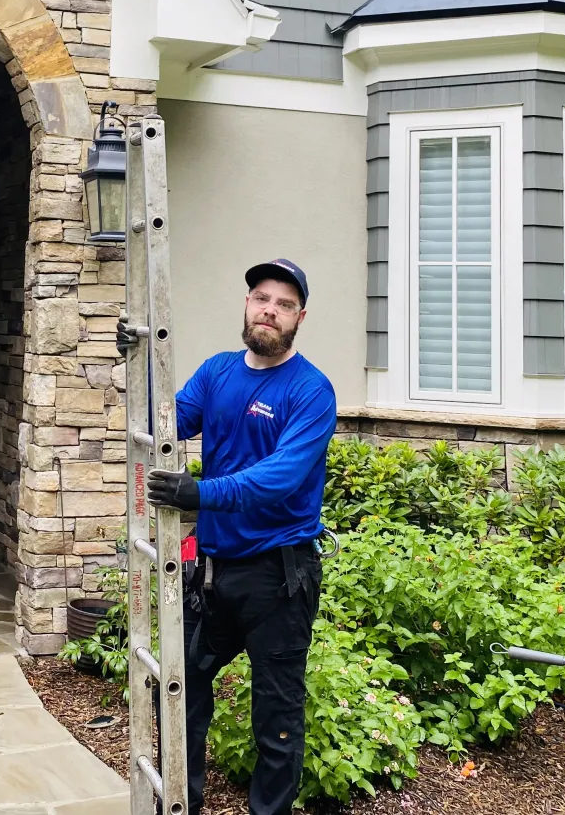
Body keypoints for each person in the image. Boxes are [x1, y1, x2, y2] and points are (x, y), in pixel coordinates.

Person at [119, 258, 337, 815]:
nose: (270, 310)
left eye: (284, 304)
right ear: (246, 304)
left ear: (299, 317)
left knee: (276, 719)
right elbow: (164, 419)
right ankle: (180, 807)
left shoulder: (311, 391)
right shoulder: (217, 373)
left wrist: (202, 493)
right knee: (181, 697)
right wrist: (136, 359)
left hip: (277, 580)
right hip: (209, 576)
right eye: (261, 298)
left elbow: (282, 478)